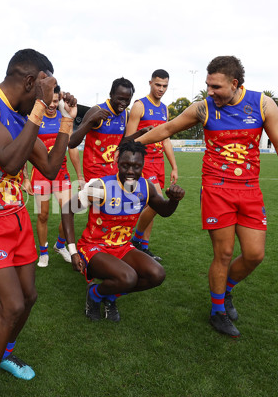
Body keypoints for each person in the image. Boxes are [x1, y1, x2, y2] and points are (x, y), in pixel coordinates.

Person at [135, 56, 278, 337]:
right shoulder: (204, 109)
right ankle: (217, 312)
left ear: (235, 84)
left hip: (250, 189)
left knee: (254, 255)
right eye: (208, 85)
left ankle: (225, 290)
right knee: (224, 253)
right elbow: (168, 128)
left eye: (216, 87)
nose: (210, 92)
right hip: (216, 188)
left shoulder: (263, 105)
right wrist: (132, 143)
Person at [0, 48, 77, 396]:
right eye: (46, 90)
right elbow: (10, 162)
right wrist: (39, 110)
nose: (49, 100)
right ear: (31, 82)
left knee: (29, 297)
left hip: (15, 215)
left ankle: (7, 354)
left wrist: (67, 119)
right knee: (11, 305)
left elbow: (52, 168)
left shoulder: (22, 116)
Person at [62, 141, 184, 321]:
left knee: (157, 274)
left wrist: (174, 200)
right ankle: (94, 294)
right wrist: (72, 251)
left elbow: (164, 211)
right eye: (125, 165)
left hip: (122, 247)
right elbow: (67, 210)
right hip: (94, 247)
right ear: (117, 163)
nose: (130, 171)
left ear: (143, 165)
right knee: (128, 278)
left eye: (136, 166)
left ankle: (109, 296)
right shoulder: (100, 187)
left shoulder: (145, 187)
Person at [24, 85, 83, 267]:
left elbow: (71, 148)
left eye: (55, 101)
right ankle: (43, 252)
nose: (52, 105)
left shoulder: (64, 119)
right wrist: (25, 177)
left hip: (61, 174)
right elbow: (24, 149)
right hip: (40, 174)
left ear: (60, 101)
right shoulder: (33, 118)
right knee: (43, 216)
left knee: (68, 211)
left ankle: (60, 245)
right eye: (49, 101)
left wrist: (79, 175)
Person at [125, 69, 178, 261]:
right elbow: (129, 138)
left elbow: (166, 140)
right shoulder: (140, 106)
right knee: (157, 202)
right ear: (150, 83)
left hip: (159, 163)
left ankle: (143, 246)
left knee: (149, 205)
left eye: (165, 86)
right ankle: (137, 239)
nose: (161, 89)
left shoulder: (164, 109)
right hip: (143, 161)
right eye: (158, 85)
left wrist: (174, 166)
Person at [68, 77, 134, 182]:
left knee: (115, 198)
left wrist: (141, 133)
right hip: (94, 171)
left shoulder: (126, 115)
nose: (123, 103)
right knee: (98, 198)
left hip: (114, 171)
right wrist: (91, 120)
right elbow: (72, 143)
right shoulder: (96, 111)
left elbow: (122, 143)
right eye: (120, 98)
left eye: (127, 100)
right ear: (111, 94)